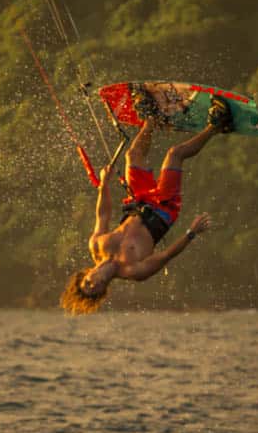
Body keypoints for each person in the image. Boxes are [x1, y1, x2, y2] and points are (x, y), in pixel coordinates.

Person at [60, 97, 233, 314]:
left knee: (132, 155)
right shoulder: (133, 271)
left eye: (87, 283)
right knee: (174, 154)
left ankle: (151, 119)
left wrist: (104, 183)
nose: (93, 284)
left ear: (84, 274)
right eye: (95, 290)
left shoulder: (97, 245)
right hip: (163, 209)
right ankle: (217, 125)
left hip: (139, 200)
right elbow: (166, 255)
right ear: (103, 291)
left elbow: (103, 213)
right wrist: (191, 233)